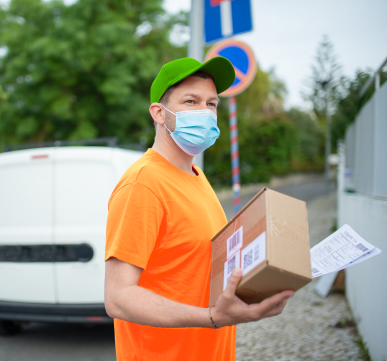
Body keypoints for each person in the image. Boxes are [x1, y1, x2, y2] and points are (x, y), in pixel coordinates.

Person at [103, 57, 295, 362]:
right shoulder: (143, 184)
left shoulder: (196, 175)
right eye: (191, 101)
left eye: (211, 103)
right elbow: (118, 298)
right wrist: (212, 316)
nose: (205, 112)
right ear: (159, 113)